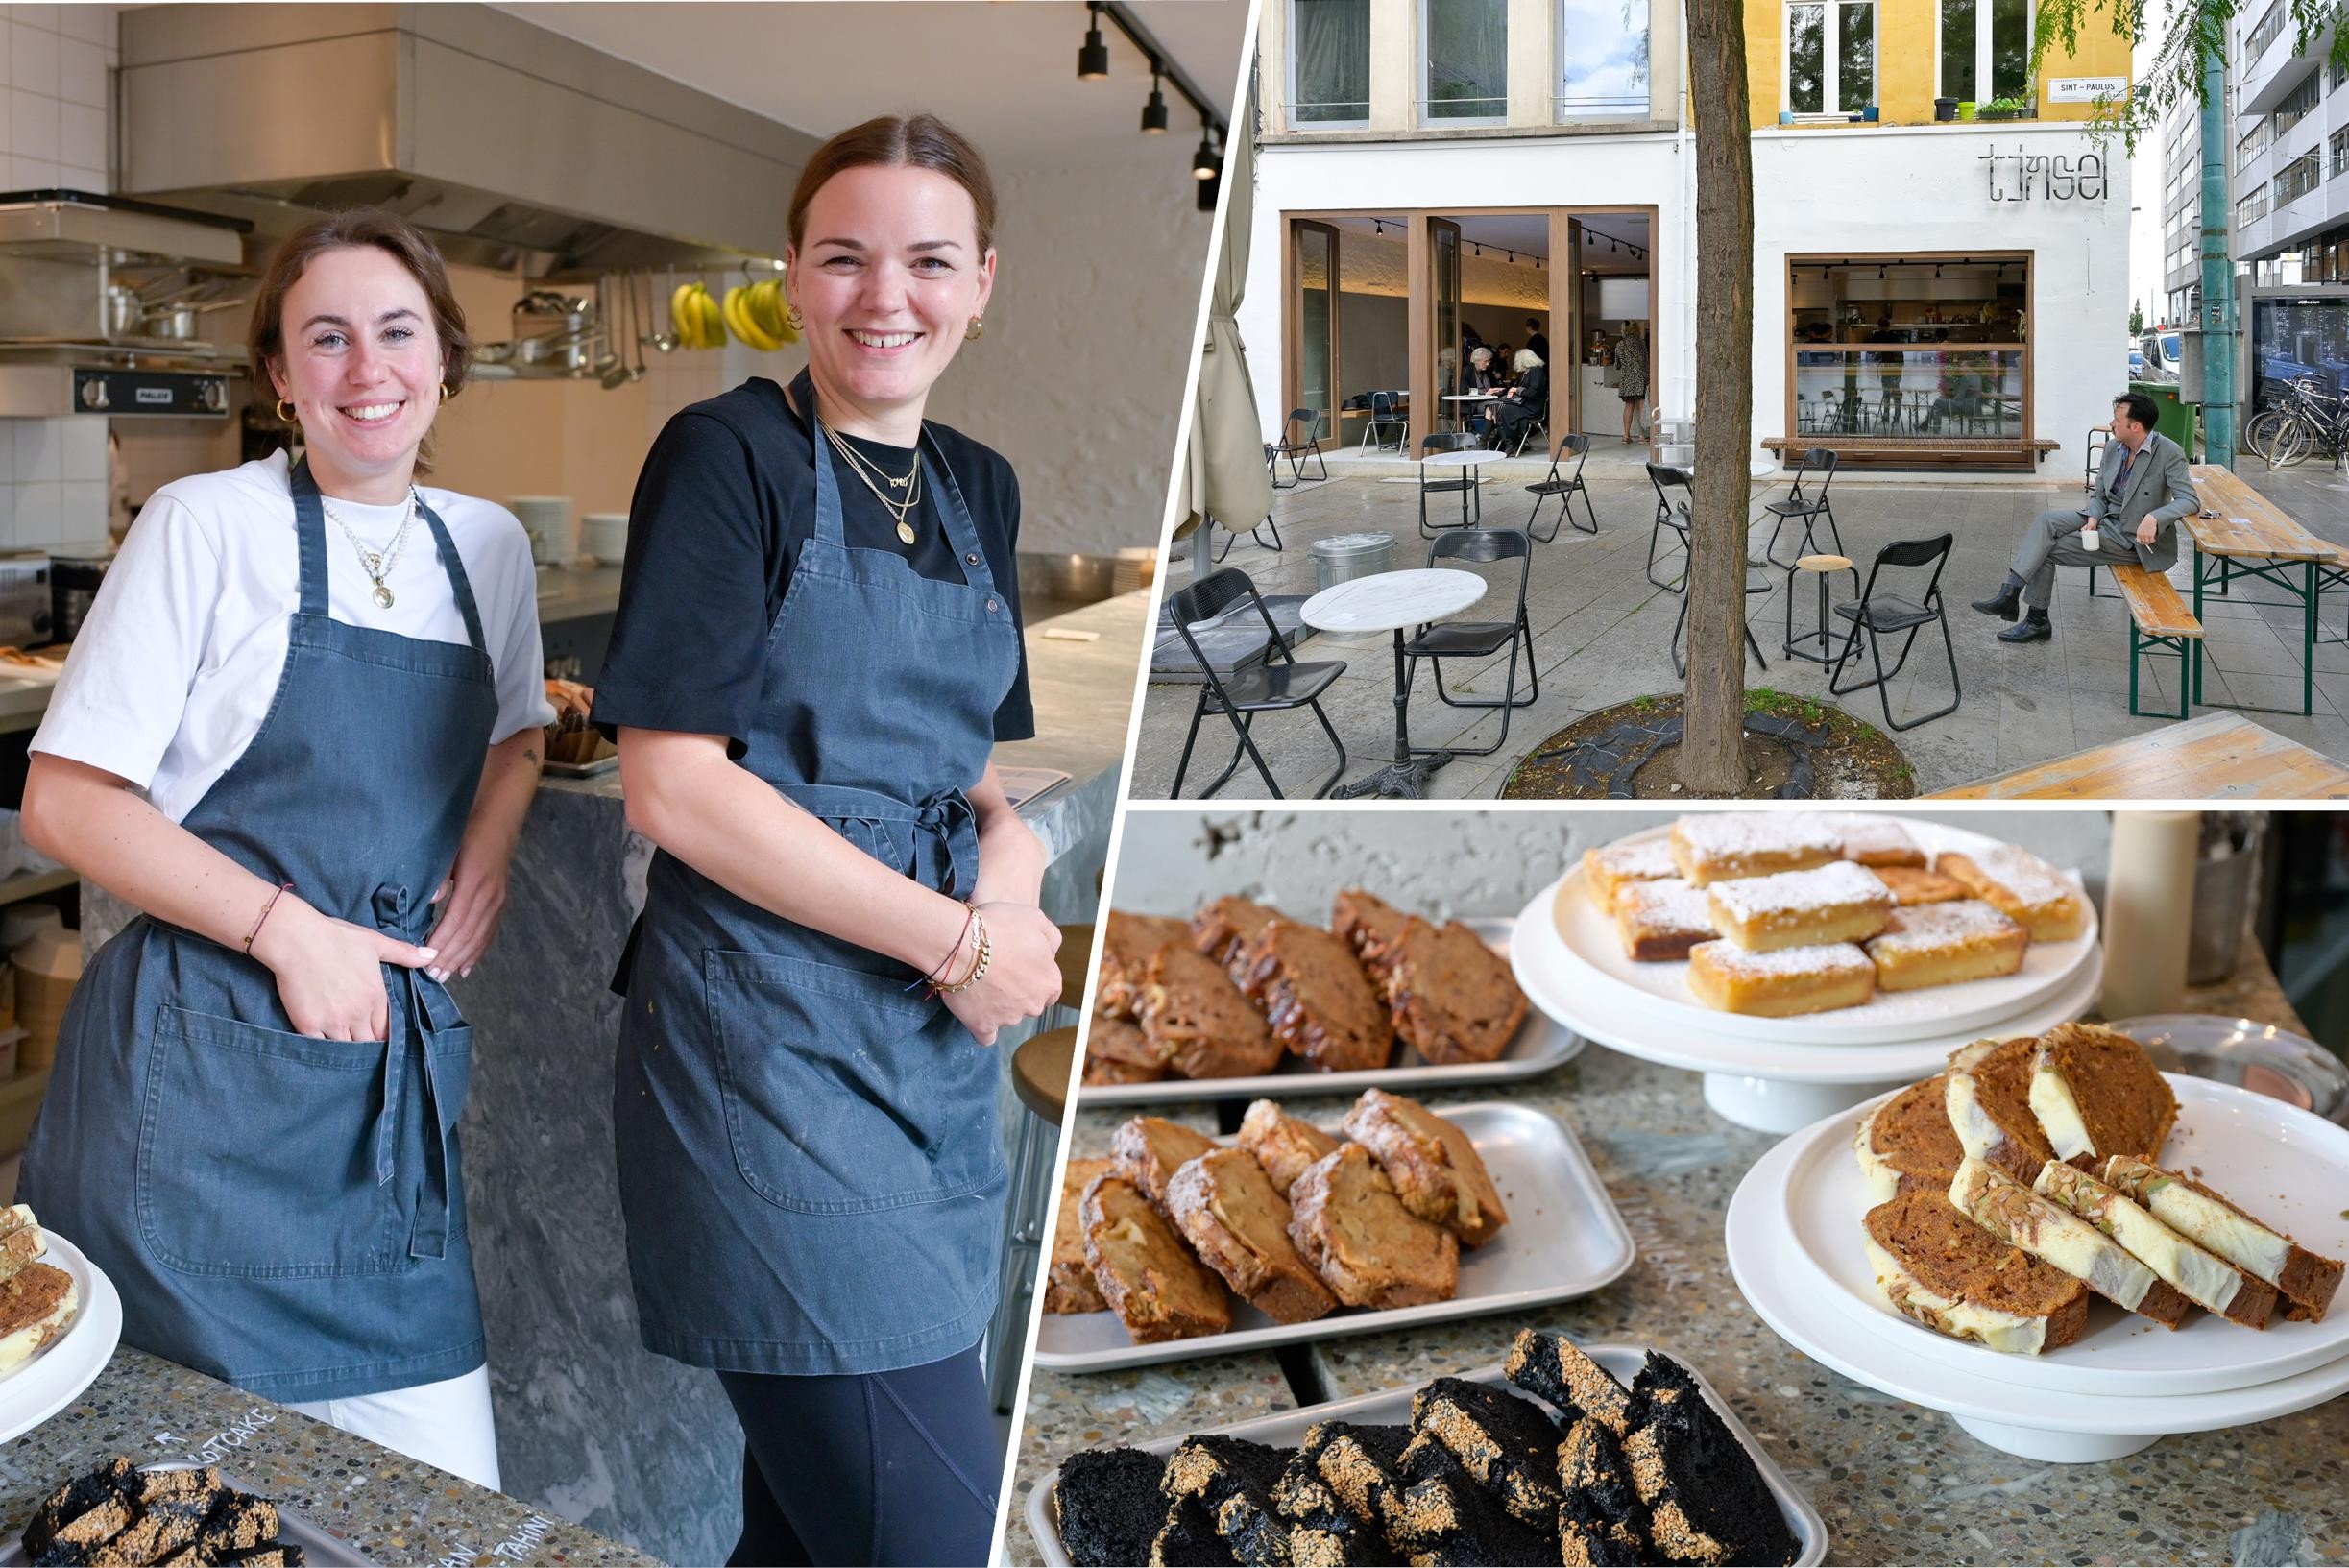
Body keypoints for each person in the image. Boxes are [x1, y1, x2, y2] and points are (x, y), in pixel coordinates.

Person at [590, 113, 1061, 1567]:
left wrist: (1016, 871)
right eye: (845, 258)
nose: (884, 297)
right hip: (761, 1052)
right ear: (791, 276)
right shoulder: (724, 455)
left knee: (804, 1540)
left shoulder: (979, 487)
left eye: (926, 260)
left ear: (981, 281)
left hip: (920, 1061)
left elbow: (968, 768)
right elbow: (672, 787)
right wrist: (967, 941)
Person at [15, 208, 550, 1489]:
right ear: (279, 376)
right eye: (326, 338)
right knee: (176, 1507)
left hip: (376, 1109)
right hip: (193, 1102)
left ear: (443, 360)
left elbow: (521, 732)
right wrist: (282, 925)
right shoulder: (206, 524)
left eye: (395, 332)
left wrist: (489, 843)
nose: (365, 369)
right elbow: (65, 804)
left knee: (443, 1496)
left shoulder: (489, 546)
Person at [1972, 392, 2196, 644]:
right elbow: (2100, 494)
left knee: (2044, 551)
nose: (2111, 424)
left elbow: (2190, 500)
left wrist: (2155, 517)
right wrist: (2094, 516)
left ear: (2135, 426)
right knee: (2046, 522)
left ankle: (2036, 620)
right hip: (2105, 519)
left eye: (2116, 419)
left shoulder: (2168, 452)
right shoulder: (2114, 448)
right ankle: (2009, 594)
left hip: (2133, 539)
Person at [1489, 348, 1549, 451]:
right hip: (1526, 404)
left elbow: (1532, 393)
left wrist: (1516, 390)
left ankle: (1511, 442)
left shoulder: (1535, 371)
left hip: (1531, 407)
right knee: (1499, 407)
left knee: (1503, 409)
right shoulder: (1530, 371)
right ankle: (1510, 442)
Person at [1614, 321, 1649, 444]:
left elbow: (1617, 365)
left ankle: (1626, 436)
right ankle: (1642, 437)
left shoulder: (1620, 344)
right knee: (1641, 407)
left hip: (1626, 380)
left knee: (1628, 406)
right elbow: (1646, 362)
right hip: (1640, 379)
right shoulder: (1641, 343)